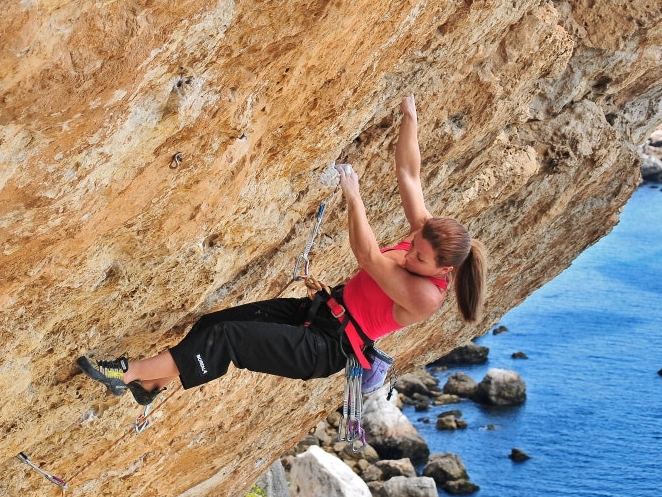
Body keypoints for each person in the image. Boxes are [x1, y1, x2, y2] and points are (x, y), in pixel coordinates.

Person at [77, 95, 488, 404]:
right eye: (415, 242)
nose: (411, 249)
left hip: (327, 349)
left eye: (418, 257)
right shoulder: (428, 238)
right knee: (210, 324)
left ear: (441, 270)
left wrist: (354, 197)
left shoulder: (424, 296)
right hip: (318, 314)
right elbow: (408, 174)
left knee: (226, 339)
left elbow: (368, 259)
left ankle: (126, 372)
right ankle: (152, 383)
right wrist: (410, 119)